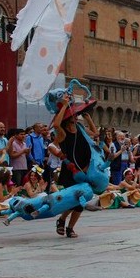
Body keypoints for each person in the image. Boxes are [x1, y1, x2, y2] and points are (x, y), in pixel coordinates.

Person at [52, 92, 99, 238]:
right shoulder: (63, 134)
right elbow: (55, 124)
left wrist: (88, 118)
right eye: (72, 120)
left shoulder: (80, 129)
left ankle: (69, 227)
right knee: (75, 200)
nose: (75, 120)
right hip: (71, 171)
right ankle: (62, 220)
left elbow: (95, 134)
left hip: (85, 170)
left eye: (76, 118)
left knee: (80, 203)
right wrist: (65, 105)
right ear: (67, 122)